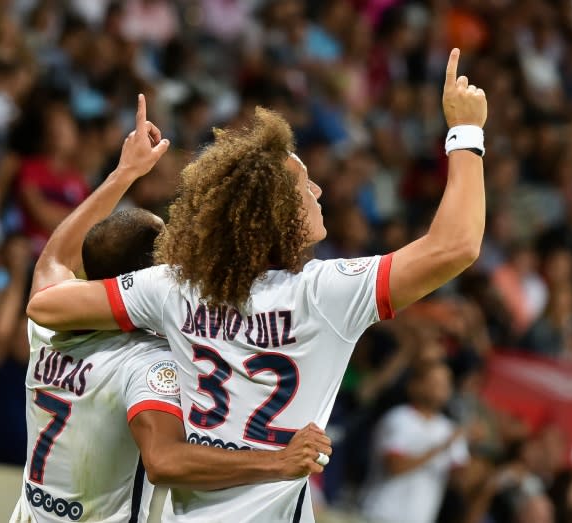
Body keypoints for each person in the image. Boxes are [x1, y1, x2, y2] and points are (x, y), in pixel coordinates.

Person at [27, 48, 487, 522]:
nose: (319, 191)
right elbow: (456, 247)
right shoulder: (325, 294)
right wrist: (466, 132)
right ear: (279, 215)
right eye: (306, 184)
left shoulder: (173, 288)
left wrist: (123, 175)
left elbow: (45, 306)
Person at [13, 95, 331, 523]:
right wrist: (278, 462)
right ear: (150, 277)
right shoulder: (148, 365)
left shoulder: (46, 331)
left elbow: (55, 259)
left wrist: (125, 173)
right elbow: (164, 461)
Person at [362, 364, 469, 523]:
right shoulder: (398, 418)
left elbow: (460, 482)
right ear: (415, 386)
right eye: (434, 382)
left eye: (445, 384)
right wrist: (442, 447)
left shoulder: (450, 429)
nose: (440, 388)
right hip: (380, 513)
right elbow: (395, 466)